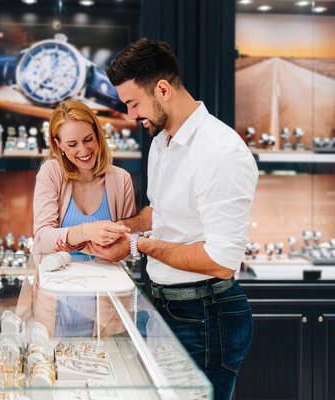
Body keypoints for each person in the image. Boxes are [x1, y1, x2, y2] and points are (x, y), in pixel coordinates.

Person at [89, 38, 258, 400]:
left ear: (162, 89)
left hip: (207, 316)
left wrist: (135, 245)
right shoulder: (162, 142)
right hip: (167, 305)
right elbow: (159, 211)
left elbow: (221, 261)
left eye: (133, 103)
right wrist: (121, 229)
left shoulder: (221, 151)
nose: (132, 116)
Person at [31, 100, 136, 337]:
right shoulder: (51, 173)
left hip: (107, 305)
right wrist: (87, 232)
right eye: (72, 144)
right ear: (58, 146)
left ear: (99, 136)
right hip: (56, 304)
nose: (83, 150)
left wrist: (123, 243)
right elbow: (42, 238)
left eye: (88, 139)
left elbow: (129, 245)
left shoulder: (121, 180)